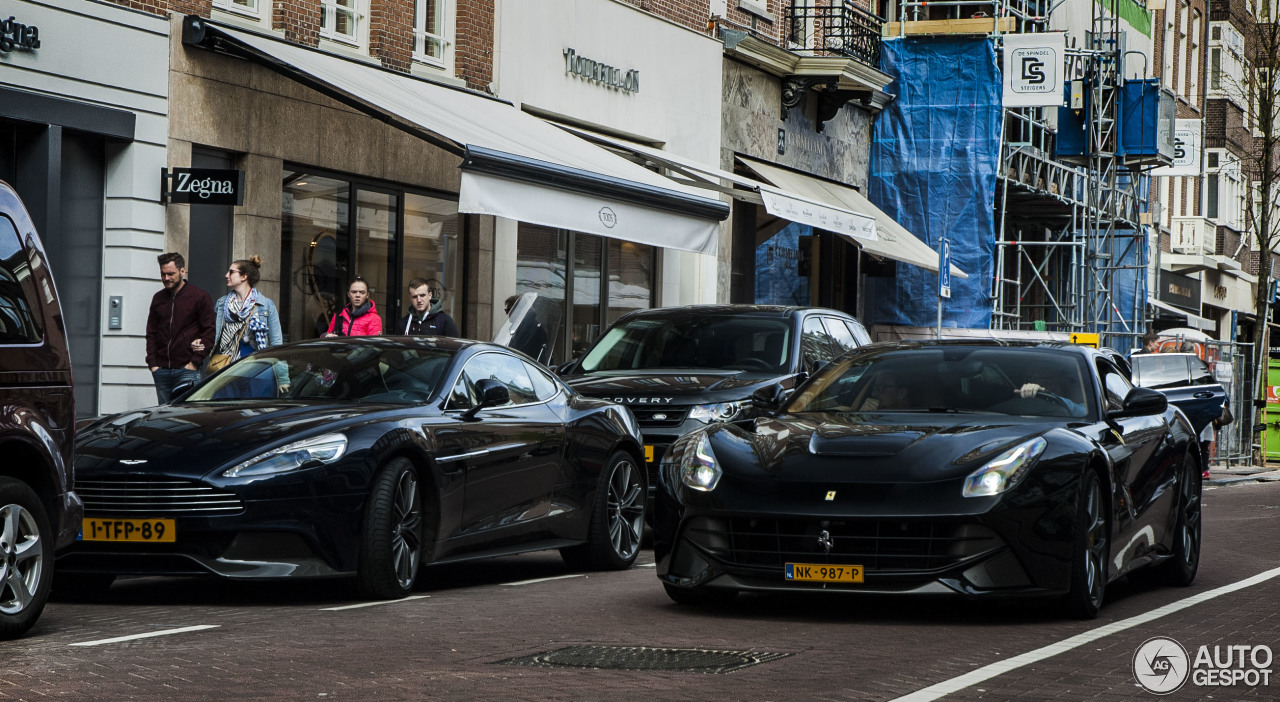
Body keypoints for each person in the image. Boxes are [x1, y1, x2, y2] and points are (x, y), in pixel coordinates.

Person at [209, 256, 288, 393]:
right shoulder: (222, 304)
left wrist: (283, 378)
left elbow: (276, 343)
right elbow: (214, 336)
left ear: (243, 277)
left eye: (231, 272)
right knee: (226, 412)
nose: (226, 275)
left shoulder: (266, 305)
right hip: (227, 370)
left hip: (257, 370)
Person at [146, 252, 215, 404]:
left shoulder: (200, 297)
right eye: (163, 274)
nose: (166, 278)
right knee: (163, 416)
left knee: (186, 416)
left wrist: (194, 362)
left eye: (171, 274)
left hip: (187, 369)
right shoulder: (158, 298)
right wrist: (153, 364)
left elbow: (209, 332)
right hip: (161, 370)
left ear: (182, 271)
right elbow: (151, 333)